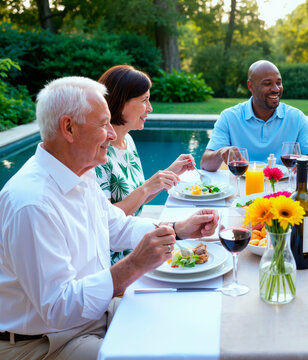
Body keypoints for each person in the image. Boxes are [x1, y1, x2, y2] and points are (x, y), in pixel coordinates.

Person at [0, 76, 218, 359]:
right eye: (103, 124)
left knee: (184, 320)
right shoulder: (32, 203)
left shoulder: (81, 172)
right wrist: (132, 266)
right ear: (68, 127)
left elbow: (114, 225)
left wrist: (179, 229)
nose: (113, 135)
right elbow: (57, 308)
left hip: (90, 316)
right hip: (44, 342)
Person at [96, 65, 197, 264]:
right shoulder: (98, 154)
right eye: (144, 100)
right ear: (120, 102)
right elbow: (108, 224)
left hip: (138, 245)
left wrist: (169, 173)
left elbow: (137, 200)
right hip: (117, 262)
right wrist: (148, 186)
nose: (150, 108)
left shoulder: (127, 141)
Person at [200, 60, 308, 173]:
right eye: (267, 84)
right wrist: (220, 153)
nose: (276, 89)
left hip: (283, 190)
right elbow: (205, 165)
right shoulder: (229, 117)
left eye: (279, 83)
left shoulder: (296, 117)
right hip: (243, 186)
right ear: (250, 86)